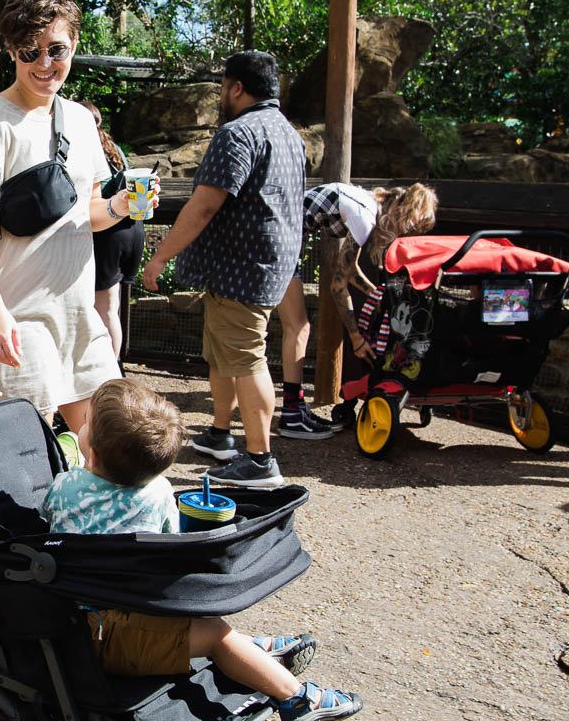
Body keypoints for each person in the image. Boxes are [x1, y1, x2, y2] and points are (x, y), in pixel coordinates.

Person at [42, 378, 364, 721]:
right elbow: (169, 547)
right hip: (121, 636)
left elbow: (50, 522)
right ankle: (295, 695)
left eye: (85, 422)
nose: (81, 426)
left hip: (86, 631)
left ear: (95, 451)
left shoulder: (63, 487)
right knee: (216, 634)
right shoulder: (159, 494)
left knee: (207, 631)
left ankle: (267, 663)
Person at [0, 0, 148, 434]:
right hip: (16, 318)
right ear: (10, 52)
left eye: (55, 49)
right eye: (28, 52)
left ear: (74, 44)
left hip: (79, 319)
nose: (44, 64)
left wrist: (122, 205)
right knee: (25, 458)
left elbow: (89, 212)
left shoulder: (79, 119)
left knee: (110, 443)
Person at [142, 50, 305, 489]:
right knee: (222, 353)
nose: (220, 96)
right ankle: (219, 434)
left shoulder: (238, 134)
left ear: (236, 87)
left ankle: (260, 460)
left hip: (242, 270)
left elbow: (204, 205)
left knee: (248, 359)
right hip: (266, 266)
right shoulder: (289, 135)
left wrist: (160, 257)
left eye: (222, 87)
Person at [273, 182, 438, 440]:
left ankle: (294, 408)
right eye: (408, 227)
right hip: (279, 236)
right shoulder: (365, 216)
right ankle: (292, 413)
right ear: (401, 215)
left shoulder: (367, 203)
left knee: (296, 326)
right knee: (298, 327)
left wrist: (377, 295)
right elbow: (338, 286)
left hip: (283, 232)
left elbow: (349, 272)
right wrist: (357, 339)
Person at [83, 101, 146, 359]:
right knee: (112, 308)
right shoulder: (114, 149)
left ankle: (110, 370)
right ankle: (114, 365)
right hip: (134, 229)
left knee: (104, 309)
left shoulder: (85, 149)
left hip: (110, 232)